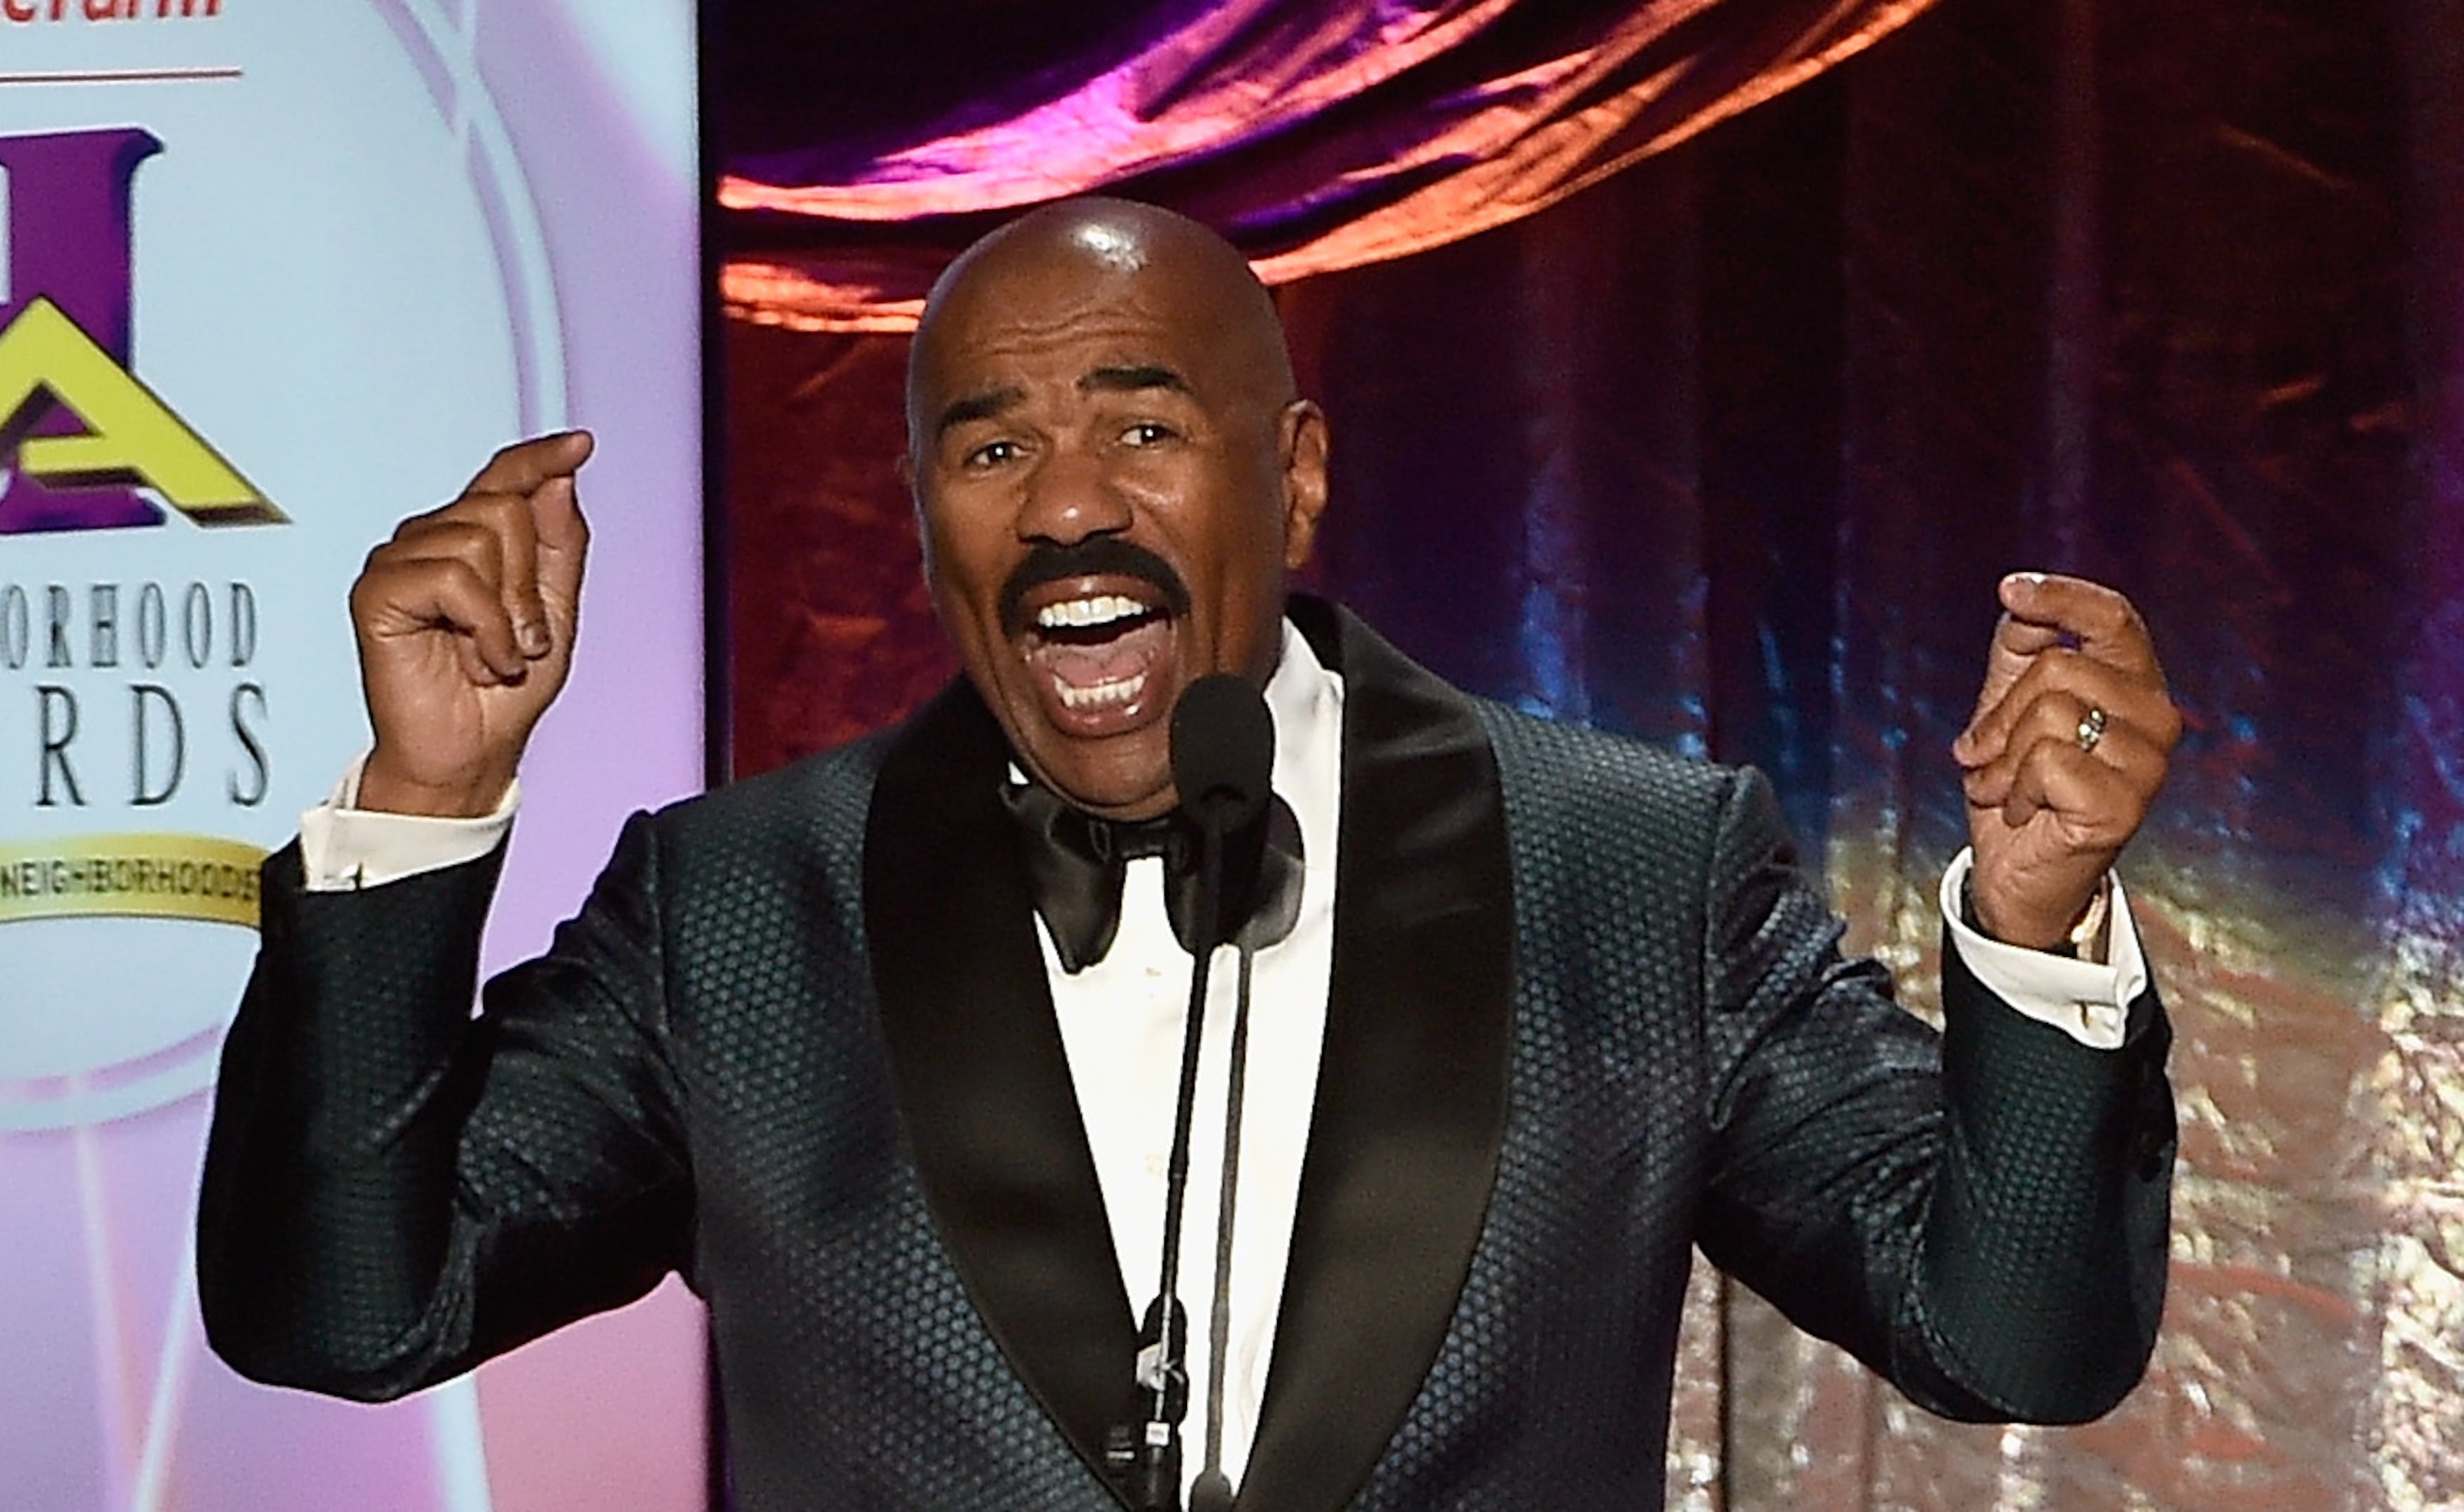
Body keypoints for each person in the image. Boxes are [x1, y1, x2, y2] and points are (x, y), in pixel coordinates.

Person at [198, 199, 2181, 1511]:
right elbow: (346, 1312)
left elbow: (2007, 1329)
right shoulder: (738, 909)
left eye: (1142, 430)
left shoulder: (1629, 872)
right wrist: (427, 797)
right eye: (989, 452)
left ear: (1294, 473)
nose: (1065, 504)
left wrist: (2029, 922)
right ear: (923, 518)